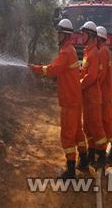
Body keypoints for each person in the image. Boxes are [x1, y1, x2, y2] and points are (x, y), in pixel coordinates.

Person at [29, 19, 82, 179]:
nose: (57, 36)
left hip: (69, 100)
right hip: (74, 98)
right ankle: (84, 159)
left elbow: (53, 69)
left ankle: (71, 170)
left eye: (59, 33)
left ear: (66, 35)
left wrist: (35, 69)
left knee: (67, 134)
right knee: (77, 131)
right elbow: (60, 71)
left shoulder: (66, 52)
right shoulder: (69, 50)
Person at [78, 21, 107, 168]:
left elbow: (92, 76)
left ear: (90, 35)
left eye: (83, 33)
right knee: (87, 127)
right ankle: (91, 152)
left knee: (96, 126)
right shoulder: (87, 52)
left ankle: (102, 155)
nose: (81, 36)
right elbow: (85, 72)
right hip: (86, 96)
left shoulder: (94, 53)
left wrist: (79, 84)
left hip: (93, 97)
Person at [97, 26, 112, 160]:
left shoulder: (102, 52)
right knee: (106, 120)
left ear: (99, 38)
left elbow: (100, 75)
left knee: (106, 121)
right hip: (107, 91)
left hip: (104, 92)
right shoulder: (106, 51)